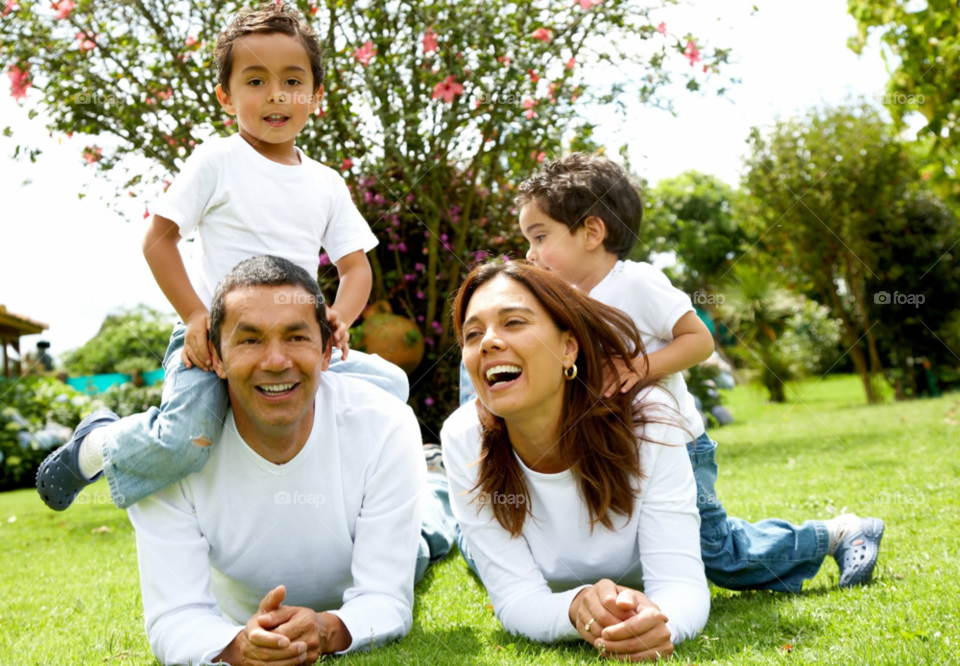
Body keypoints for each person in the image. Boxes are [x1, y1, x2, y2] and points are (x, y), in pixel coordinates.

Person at [36, 3, 407, 512]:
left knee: (391, 386)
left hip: (297, 344)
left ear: (315, 96)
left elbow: (355, 266)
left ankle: (329, 504)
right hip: (217, 344)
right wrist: (194, 316)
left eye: (292, 81)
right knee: (186, 439)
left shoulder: (325, 182)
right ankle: (98, 443)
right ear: (225, 97)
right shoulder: (217, 161)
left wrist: (338, 316)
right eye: (255, 81)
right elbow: (157, 239)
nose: (276, 94)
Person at [459, 153, 884, 591]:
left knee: (718, 552)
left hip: (680, 445)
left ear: (591, 232)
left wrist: (641, 366)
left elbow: (699, 341)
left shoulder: (637, 284)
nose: (529, 252)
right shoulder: (560, 303)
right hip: (618, 447)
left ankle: (838, 532)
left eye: (540, 235)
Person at [123, 256, 454, 665]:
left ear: (328, 352)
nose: (276, 360)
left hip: (390, 540)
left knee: (432, 531)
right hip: (246, 616)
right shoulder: (168, 454)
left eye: (296, 337)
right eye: (250, 340)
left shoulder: (385, 425)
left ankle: (436, 479)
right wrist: (237, 649)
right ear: (217, 357)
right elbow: (174, 617)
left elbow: (385, 596)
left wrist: (327, 630)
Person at [442, 260, 709, 660]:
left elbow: (680, 583)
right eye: (473, 334)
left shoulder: (646, 421)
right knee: (455, 537)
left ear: (568, 347)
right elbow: (516, 598)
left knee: (725, 543)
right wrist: (575, 607)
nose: (488, 342)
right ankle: (435, 488)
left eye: (514, 322)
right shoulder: (464, 438)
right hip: (481, 524)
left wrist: (655, 621)